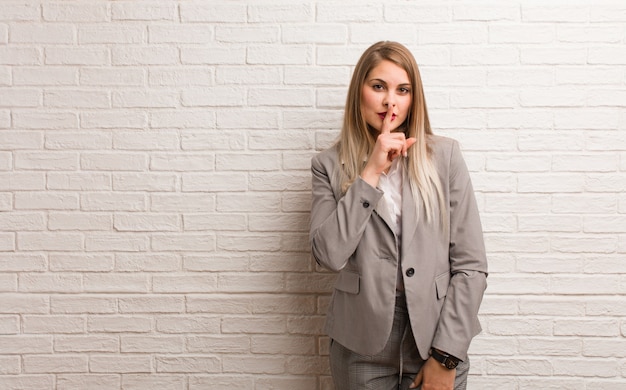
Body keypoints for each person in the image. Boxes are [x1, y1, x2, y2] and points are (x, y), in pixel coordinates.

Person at [309, 41, 488, 390]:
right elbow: (328, 255)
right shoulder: (326, 166)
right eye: (379, 87)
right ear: (359, 92)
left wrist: (446, 356)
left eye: (402, 90)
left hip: (438, 336)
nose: (391, 101)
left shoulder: (445, 157)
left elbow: (471, 265)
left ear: (413, 98)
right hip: (360, 344)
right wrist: (370, 173)